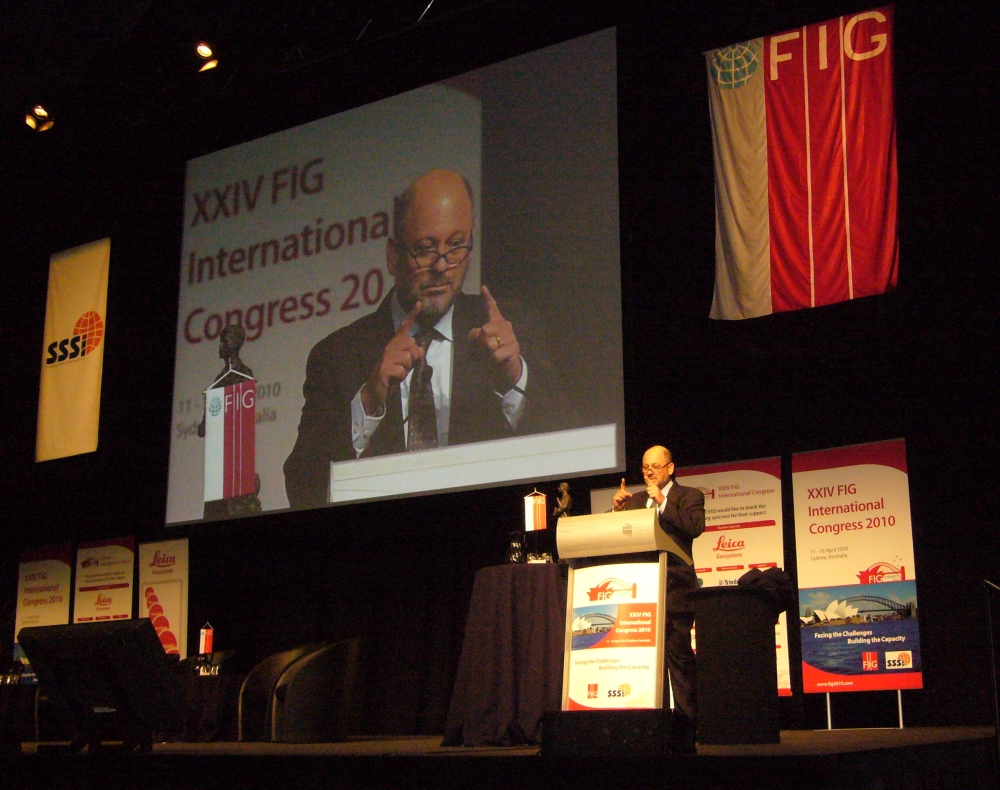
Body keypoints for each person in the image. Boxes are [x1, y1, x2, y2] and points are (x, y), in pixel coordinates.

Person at [284, 168, 564, 508]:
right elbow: (303, 487)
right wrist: (368, 403)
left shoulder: (514, 328)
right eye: (425, 249)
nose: (442, 266)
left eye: (456, 245)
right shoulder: (337, 356)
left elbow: (569, 451)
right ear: (393, 256)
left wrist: (514, 379)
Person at [612, 445, 705, 750]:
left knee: (678, 658)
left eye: (655, 466)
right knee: (647, 663)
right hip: (642, 591)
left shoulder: (689, 495)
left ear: (670, 468)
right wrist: (617, 511)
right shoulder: (636, 500)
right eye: (644, 467)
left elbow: (694, 527)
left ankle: (688, 729)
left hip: (676, 590)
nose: (649, 472)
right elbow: (613, 535)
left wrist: (663, 501)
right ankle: (656, 728)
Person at [198, 325, 261, 519]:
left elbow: (243, 427)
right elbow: (203, 429)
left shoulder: (244, 375)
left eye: (224, 341)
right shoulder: (218, 381)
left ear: (235, 344)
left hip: (236, 470)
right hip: (218, 471)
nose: (220, 346)